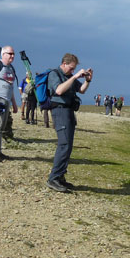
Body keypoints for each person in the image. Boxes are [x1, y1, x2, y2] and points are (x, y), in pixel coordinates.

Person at [46, 53, 92, 192]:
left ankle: (60, 176)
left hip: (69, 111)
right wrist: (74, 76)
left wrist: (88, 80)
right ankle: (53, 178)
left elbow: (82, 90)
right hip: (59, 111)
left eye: (74, 69)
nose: (72, 71)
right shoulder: (55, 74)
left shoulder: (69, 76)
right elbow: (59, 90)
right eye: (71, 68)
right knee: (64, 144)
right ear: (64, 64)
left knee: (68, 145)